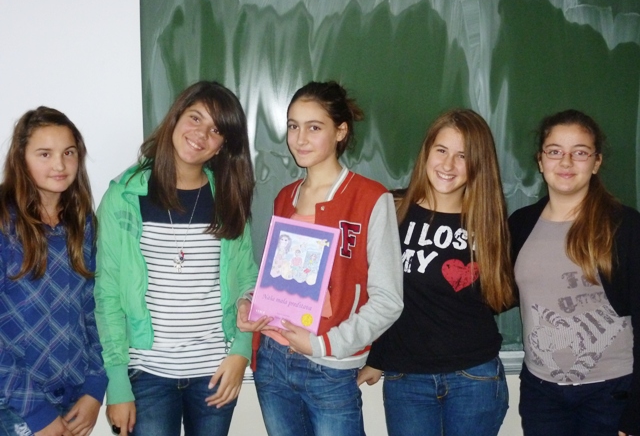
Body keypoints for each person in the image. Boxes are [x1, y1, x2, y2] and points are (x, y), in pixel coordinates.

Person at [237, 81, 404, 436]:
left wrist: (324, 344)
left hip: (328, 367)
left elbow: (388, 300)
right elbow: (277, 278)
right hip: (273, 360)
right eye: (293, 126)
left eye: (314, 127)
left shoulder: (370, 199)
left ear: (340, 131)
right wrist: (250, 303)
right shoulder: (285, 197)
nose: (300, 139)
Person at [94, 81, 258, 436]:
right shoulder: (124, 197)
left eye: (216, 130)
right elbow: (107, 295)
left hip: (215, 371)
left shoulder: (228, 199)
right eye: (195, 118)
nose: (201, 134)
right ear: (176, 117)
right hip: (146, 373)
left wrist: (241, 351)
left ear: (222, 145)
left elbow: (248, 280)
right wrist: (117, 383)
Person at [358, 109, 515, 436]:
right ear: (426, 152)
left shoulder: (487, 223)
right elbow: (384, 294)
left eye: (463, 156)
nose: (448, 164)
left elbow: (501, 296)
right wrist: (378, 356)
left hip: (474, 377)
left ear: (478, 164)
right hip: (407, 379)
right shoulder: (392, 210)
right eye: (441, 150)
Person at [508, 110, 639, 436]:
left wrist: (634, 414)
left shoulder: (625, 226)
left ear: (596, 162)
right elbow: (500, 294)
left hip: (611, 393)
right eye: (554, 151)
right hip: (541, 393)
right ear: (540, 161)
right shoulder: (521, 224)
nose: (566, 162)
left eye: (580, 152)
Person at [0, 107, 107, 436]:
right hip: (14, 404)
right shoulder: (4, 223)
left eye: (68, 153)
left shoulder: (82, 223)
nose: (59, 165)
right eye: (44, 154)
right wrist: (36, 412)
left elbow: (93, 310)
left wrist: (95, 388)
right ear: (21, 158)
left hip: (73, 399)